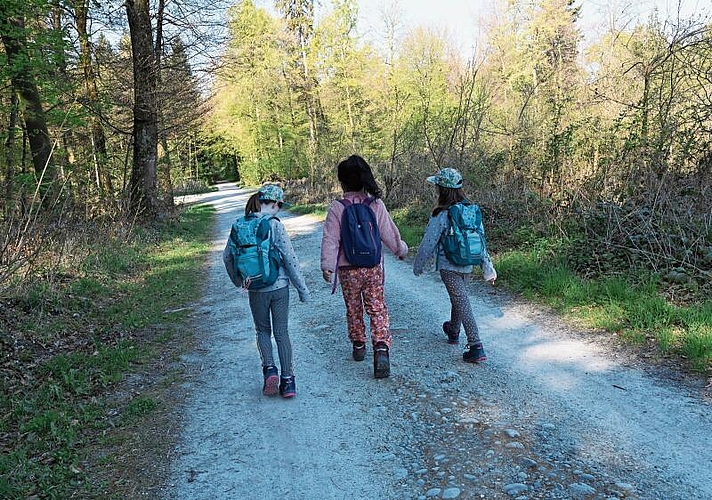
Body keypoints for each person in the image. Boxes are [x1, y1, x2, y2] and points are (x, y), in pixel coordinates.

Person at [320, 155, 408, 378]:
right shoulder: (376, 204)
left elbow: (331, 239)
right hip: (372, 267)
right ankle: (380, 348)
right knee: (377, 307)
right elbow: (389, 231)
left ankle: (359, 345)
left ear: (342, 182)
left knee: (353, 307)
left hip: (348, 270)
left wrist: (327, 266)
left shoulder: (337, 208)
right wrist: (400, 249)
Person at [223, 184, 311, 398]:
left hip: (256, 289)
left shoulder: (239, 225)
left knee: (262, 331)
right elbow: (290, 259)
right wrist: (302, 289)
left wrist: (240, 281)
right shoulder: (274, 225)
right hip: (279, 286)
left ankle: (269, 370)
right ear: (272, 204)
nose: (278, 210)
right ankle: (288, 381)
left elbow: (227, 257)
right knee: (281, 332)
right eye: (278, 206)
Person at [412, 168, 497, 363]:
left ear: (441, 189)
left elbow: (429, 241)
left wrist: (419, 265)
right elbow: (481, 241)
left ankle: (476, 345)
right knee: (459, 298)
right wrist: (488, 269)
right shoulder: (472, 211)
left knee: (461, 299)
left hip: (449, 265)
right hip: (468, 262)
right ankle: (453, 330)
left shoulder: (442, 214)